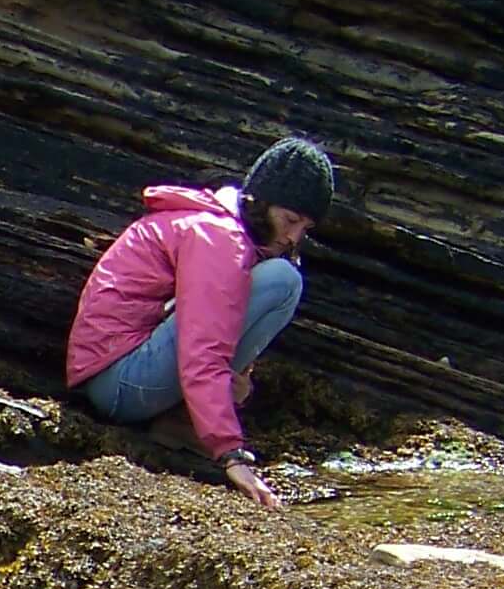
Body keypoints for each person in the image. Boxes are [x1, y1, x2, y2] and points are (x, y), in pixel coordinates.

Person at [64, 134, 339, 510]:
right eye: (289, 220)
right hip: (120, 383)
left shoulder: (218, 227)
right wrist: (231, 453)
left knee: (278, 274)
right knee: (282, 281)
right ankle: (188, 422)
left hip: (119, 373)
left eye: (304, 228)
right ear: (259, 203)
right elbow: (203, 347)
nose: (293, 237)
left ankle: (183, 418)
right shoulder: (216, 237)